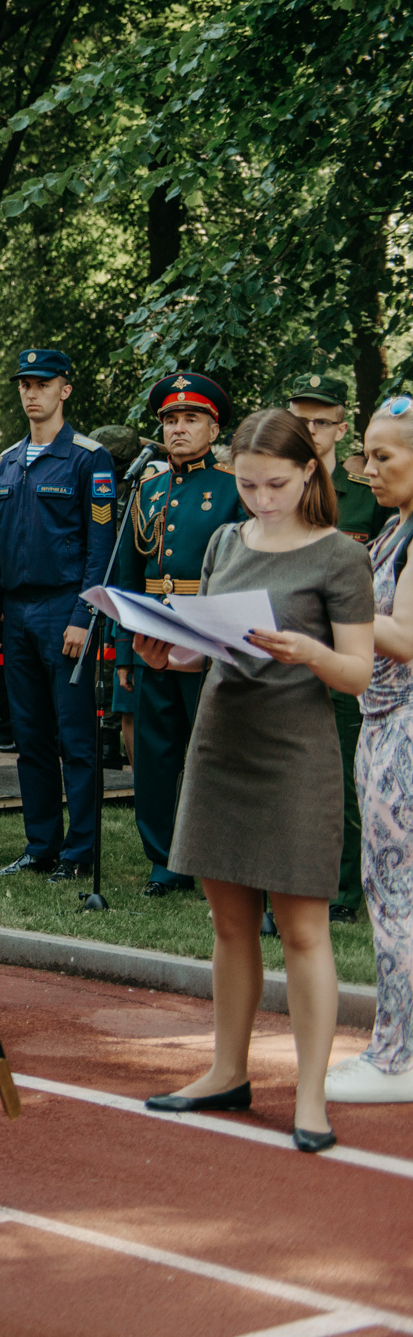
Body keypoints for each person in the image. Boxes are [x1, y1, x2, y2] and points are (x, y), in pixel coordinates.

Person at [138, 409, 373, 1153]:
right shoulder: (222, 539)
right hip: (221, 741)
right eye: (246, 484)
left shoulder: (340, 557)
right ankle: (225, 1071)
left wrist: (307, 650)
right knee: (229, 924)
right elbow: (204, 651)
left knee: (303, 930)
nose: (261, 499)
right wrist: (164, 654)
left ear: (309, 471)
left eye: (275, 483)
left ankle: (309, 1095)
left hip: (294, 751)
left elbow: (358, 674)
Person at [0, 348, 117, 881]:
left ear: (65, 389)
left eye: (42, 383)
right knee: (30, 737)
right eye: (24, 383)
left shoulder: (89, 457)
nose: (31, 392)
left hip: (65, 607)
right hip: (15, 612)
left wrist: (84, 616)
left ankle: (80, 853)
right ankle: (41, 847)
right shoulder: (12, 459)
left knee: (76, 738)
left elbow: (100, 545)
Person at [112, 373, 241, 896]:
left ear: (213, 427)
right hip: (152, 634)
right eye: (170, 420)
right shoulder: (148, 486)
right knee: (155, 752)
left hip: (207, 632)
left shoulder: (233, 487)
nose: (178, 429)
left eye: (190, 419)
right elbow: (126, 573)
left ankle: (215, 855)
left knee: (211, 751)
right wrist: (123, 648)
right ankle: (164, 860)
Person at [331, 394, 413, 1104]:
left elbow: (408, 638)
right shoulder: (396, 530)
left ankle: (399, 1056)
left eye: (383, 457)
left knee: (397, 897)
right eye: (365, 452)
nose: (366, 468)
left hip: (405, 734)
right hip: (383, 727)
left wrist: (334, 601)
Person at [285, 372, 389, 922]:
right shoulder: (278, 488)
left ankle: (345, 893)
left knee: (346, 777)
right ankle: (292, 883)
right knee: (290, 775)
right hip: (285, 654)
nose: (309, 428)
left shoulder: (363, 496)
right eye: (299, 418)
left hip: (343, 651)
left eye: (320, 421)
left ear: (341, 428)